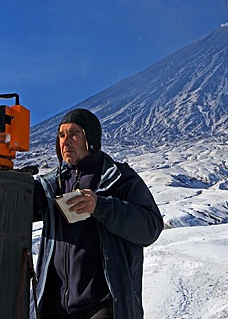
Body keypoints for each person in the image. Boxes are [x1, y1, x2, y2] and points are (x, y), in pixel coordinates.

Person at [32, 108, 163, 319]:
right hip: (55, 307)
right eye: (61, 135)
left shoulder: (119, 178)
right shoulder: (51, 184)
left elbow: (150, 227)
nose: (65, 141)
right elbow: (14, 209)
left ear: (91, 139)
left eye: (74, 133)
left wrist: (100, 206)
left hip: (102, 304)